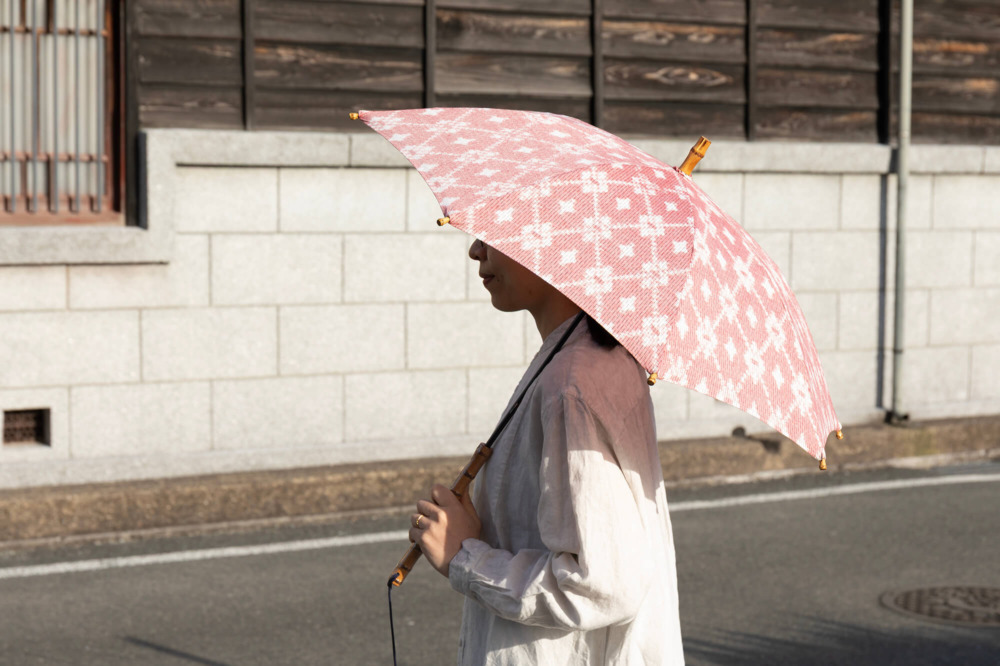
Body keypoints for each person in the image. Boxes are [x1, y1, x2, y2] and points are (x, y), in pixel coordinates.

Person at [408, 238, 685, 665]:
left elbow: (599, 585)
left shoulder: (571, 383)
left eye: (492, 235)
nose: (476, 251)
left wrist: (465, 555)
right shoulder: (584, 361)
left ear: (558, 246)